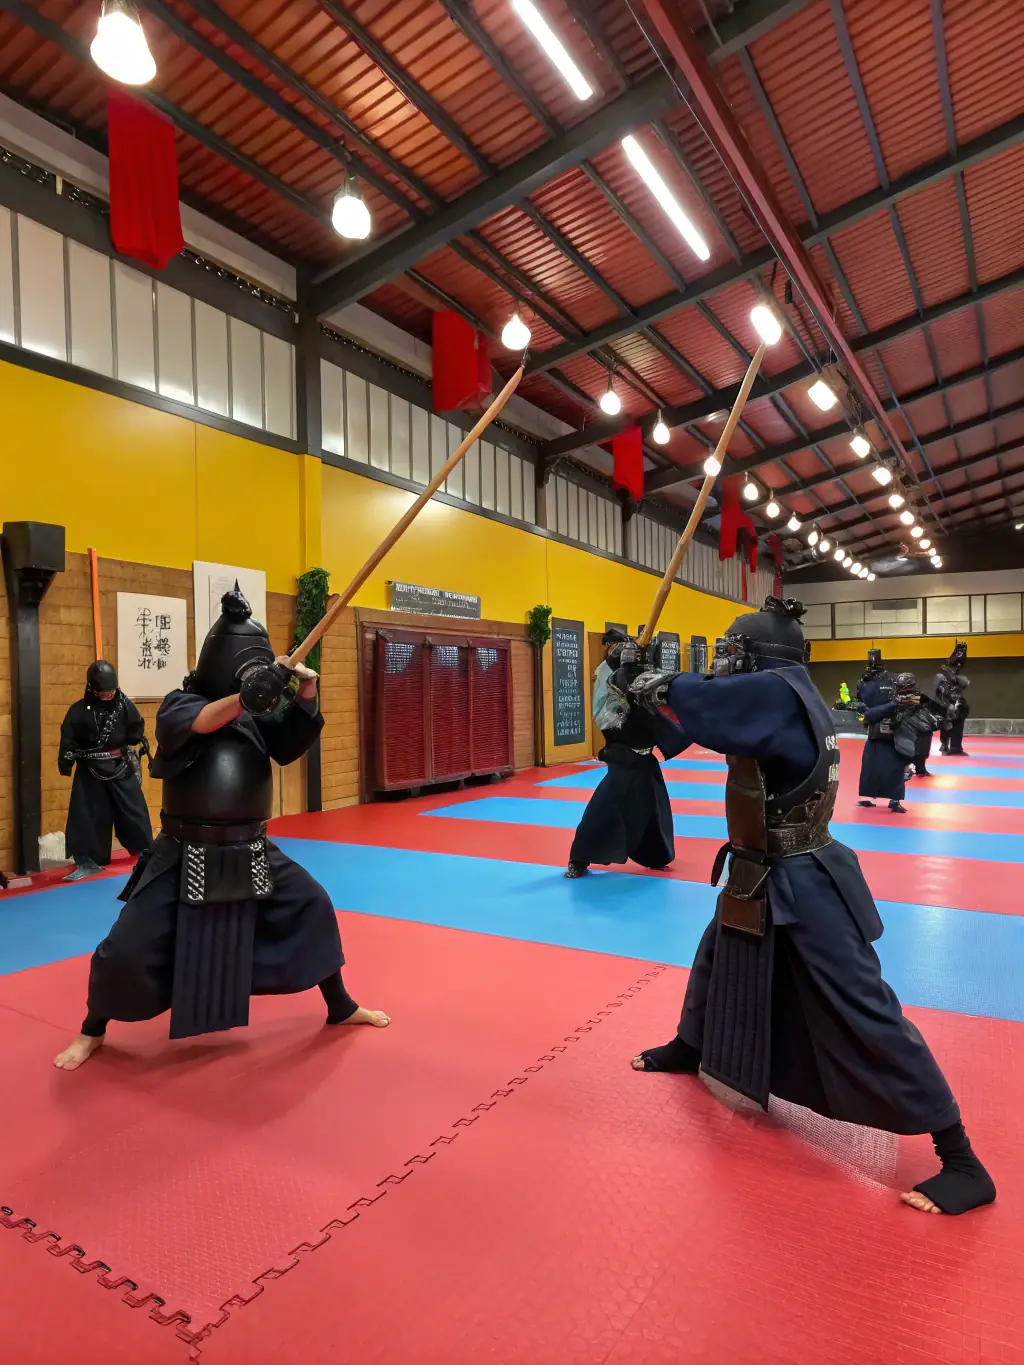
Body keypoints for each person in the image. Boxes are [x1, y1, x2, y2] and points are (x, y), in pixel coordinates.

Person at [623, 596, 994, 1216]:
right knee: (717, 954)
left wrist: (656, 678)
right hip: (763, 864)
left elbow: (707, 703)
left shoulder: (774, 692)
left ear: (759, 657)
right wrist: (640, 685)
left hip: (801, 876)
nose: (725, 661)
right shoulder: (788, 692)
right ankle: (692, 1044)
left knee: (860, 1000)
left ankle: (960, 1157)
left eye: (733, 651)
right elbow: (697, 722)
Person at [53, 586, 388, 1071]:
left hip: (251, 846)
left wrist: (305, 693)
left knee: (312, 906)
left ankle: (340, 1005)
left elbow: (288, 745)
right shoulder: (179, 703)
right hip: (183, 849)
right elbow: (206, 720)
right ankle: (92, 1030)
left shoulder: (256, 716)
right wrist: (253, 693)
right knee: (125, 949)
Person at [565, 629, 686, 878]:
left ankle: (656, 855)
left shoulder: (649, 676)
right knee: (605, 807)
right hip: (623, 757)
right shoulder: (608, 677)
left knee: (652, 810)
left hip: (644, 757)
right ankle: (580, 857)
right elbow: (608, 717)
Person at [58, 660, 153, 882]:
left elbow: (136, 730)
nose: (108, 695)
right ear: (92, 689)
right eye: (103, 692)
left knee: (134, 810)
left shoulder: (124, 706)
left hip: (120, 765)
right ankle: (89, 860)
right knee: (87, 813)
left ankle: (146, 854)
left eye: (111, 691)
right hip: (89, 769)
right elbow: (68, 740)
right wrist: (66, 761)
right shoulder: (77, 711)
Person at [857, 671, 920, 813]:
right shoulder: (890, 696)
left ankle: (895, 800)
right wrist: (893, 704)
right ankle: (869, 795)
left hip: (900, 739)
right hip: (879, 736)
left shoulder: (915, 701)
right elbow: (870, 714)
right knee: (871, 768)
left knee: (898, 770)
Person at [935, 643, 970, 756]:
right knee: (948, 723)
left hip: (951, 701)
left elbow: (963, 683)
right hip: (947, 700)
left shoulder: (951, 671)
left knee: (951, 723)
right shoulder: (946, 672)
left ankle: (951, 746)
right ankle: (947, 745)